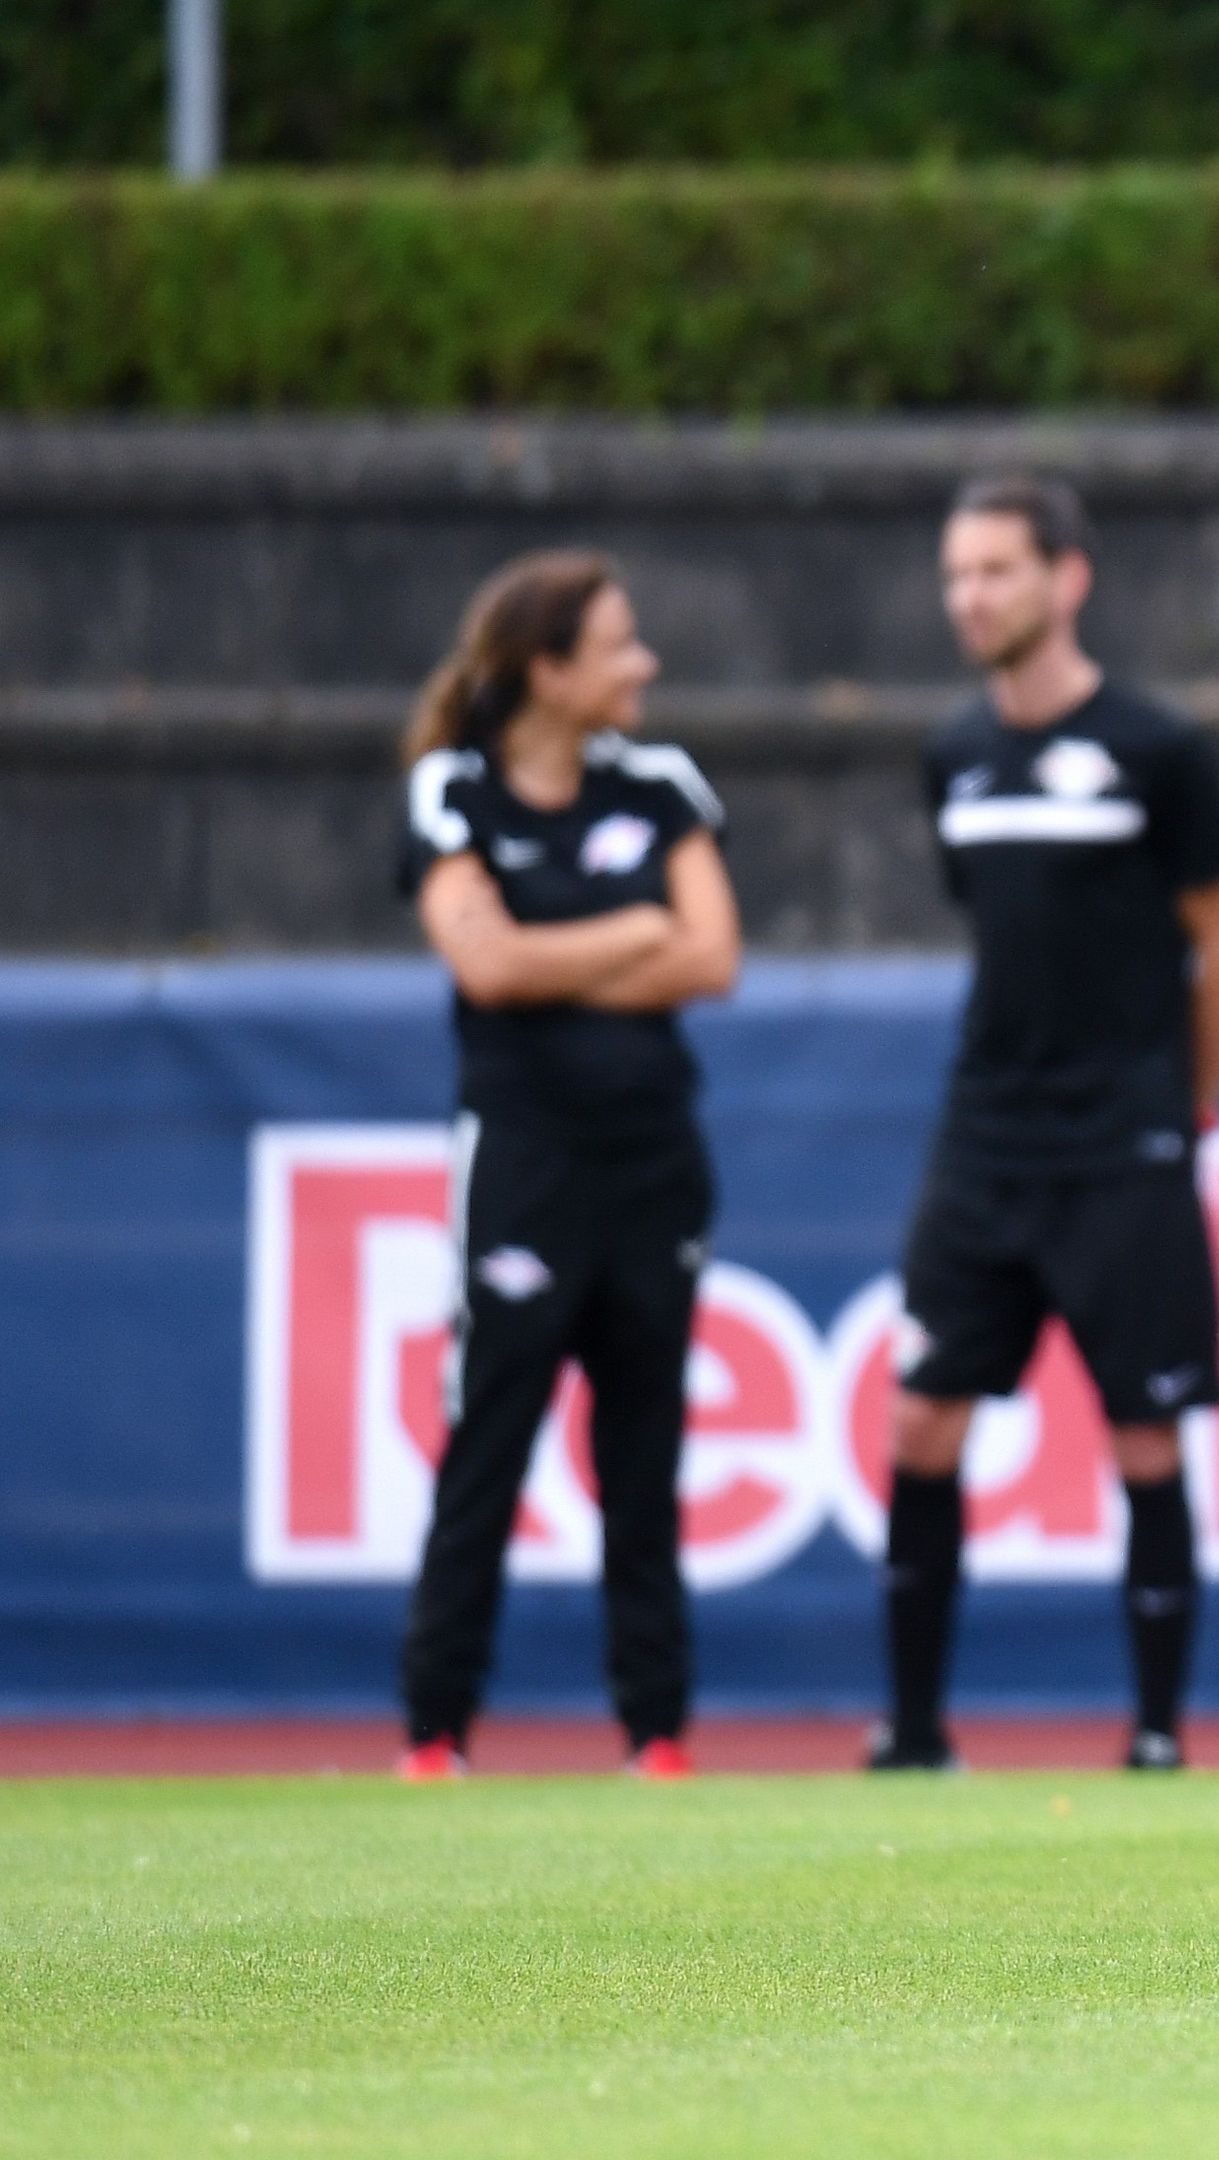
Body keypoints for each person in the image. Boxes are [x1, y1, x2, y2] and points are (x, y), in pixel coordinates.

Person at [870, 475, 1219, 1774]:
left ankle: (1155, 1732)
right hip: (987, 1137)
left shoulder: (1159, 751)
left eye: (996, 571)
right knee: (922, 1421)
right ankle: (915, 1733)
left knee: (1141, 1430)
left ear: (1066, 578)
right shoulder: (953, 755)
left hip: (1123, 1140)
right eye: (956, 575)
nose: (972, 598)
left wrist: (1183, 1104)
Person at [394, 552, 741, 1781]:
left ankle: (657, 1733)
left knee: (644, 1456)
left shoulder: (658, 784)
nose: (642, 665)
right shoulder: (454, 792)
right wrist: (629, 931)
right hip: (525, 1162)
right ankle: (436, 1729)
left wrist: (555, 948)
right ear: (548, 670)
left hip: (652, 1158)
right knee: (491, 1439)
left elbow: (711, 957)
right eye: (617, 644)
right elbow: (480, 967)